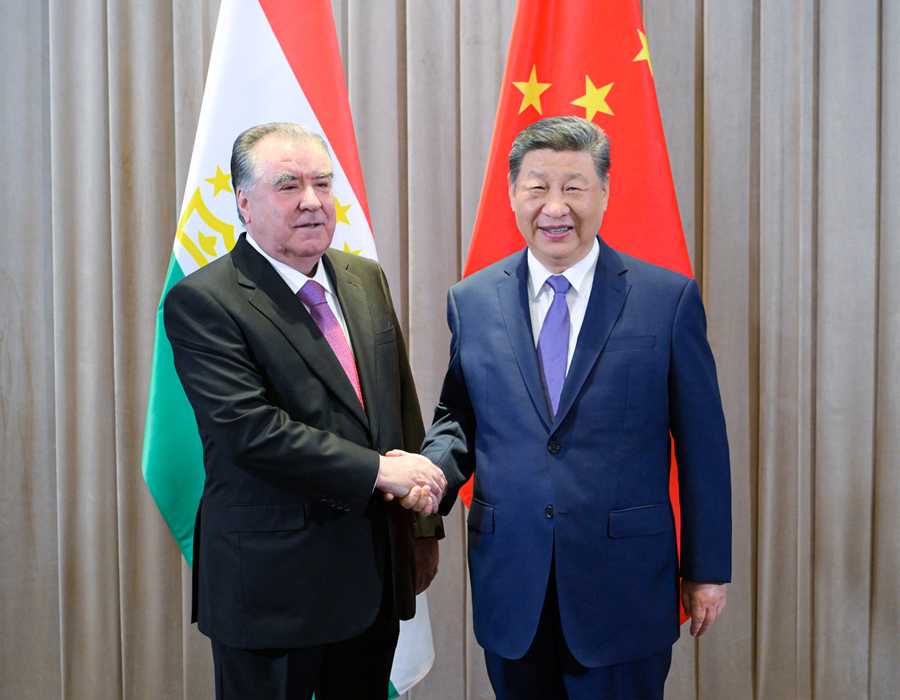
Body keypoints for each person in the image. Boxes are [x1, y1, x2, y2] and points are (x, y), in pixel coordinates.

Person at [409, 116, 732, 699]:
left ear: (604, 192)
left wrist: (706, 568)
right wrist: (430, 478)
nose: (554, 207)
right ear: (513, 193)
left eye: (574, 187)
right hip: (513, 582)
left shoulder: (666, 299)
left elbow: (703, 447)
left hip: (624, 587)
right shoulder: (472, 300)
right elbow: (459, 418)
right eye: (537, 187)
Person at [164, 122, 446, 700]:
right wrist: (380, 472)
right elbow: (251, 433)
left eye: (322, 182)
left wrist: (421, 526)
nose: (312, 201)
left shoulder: (363, 278)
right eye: (288, 186)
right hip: (273, 591)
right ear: (243, 202)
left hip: (373, 578)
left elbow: (398, 406)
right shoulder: (204, 301)